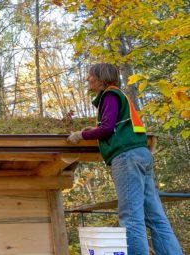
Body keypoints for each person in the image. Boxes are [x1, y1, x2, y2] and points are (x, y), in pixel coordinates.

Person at [67, 63, 183, 255]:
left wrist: (81, 135)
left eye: (90, 76)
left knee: (131, 217)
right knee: (155, 217)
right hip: (141, 154)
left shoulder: (110, 95)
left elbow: (107, 128)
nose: (87, 79)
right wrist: (91, 130)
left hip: (127, 157)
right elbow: (113, 125)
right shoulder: (119, 97)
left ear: (101, 78)